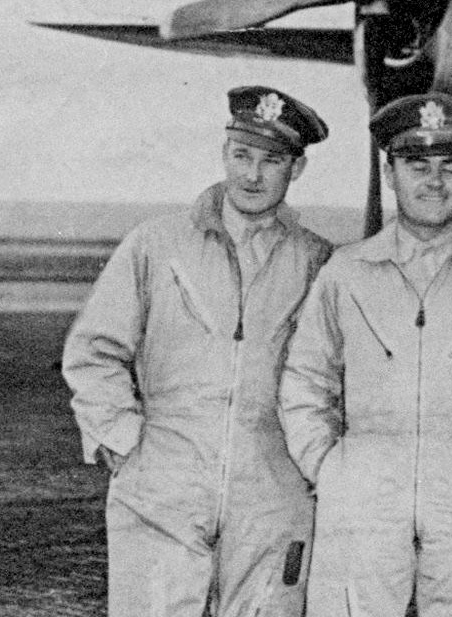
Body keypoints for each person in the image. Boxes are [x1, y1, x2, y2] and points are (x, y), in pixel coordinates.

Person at [280, 92, 452, 617]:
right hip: (364, 489)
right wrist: (330, 468)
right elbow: (305, 380)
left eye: (450, 166)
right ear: (390, 174)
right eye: (417, 165)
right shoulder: (347, 272)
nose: (434, 181)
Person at [64, 86, 334, 617]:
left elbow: (338, 377)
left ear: (296, 169)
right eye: (242, 156)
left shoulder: (318, 262)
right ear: (224, 154)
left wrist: (315, 467)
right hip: (161, 486)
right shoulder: (155, 244)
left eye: (272, 160)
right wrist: (121, 441)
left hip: (274, 495)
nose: (252, 175)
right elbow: (94, 350)